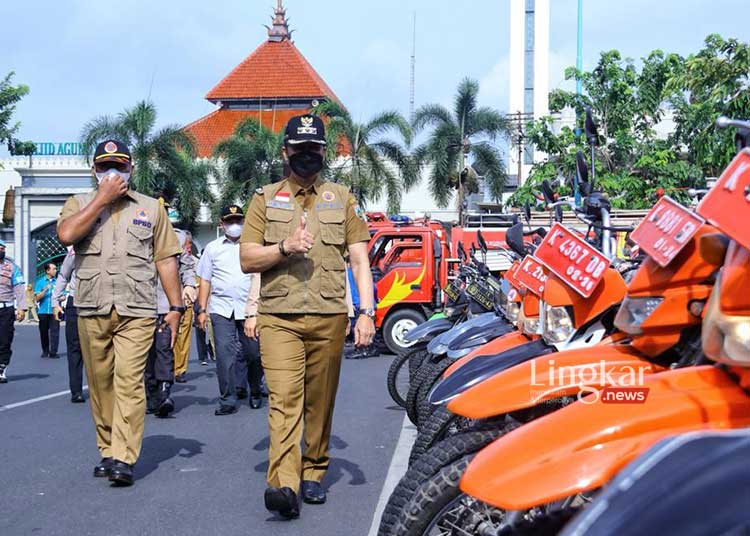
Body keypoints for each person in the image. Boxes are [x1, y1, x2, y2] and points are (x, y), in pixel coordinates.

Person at [240, 114, 375, 519]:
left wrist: (367, 312)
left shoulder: (342, 198)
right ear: (286, 152)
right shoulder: (264, 199)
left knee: (320, 401)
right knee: (283, 400)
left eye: (313, 149)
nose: (306, 156)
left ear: (323, 152)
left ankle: (314, 468)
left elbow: (359, 259)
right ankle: (284, 483)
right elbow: (247, 258)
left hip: (330, 314)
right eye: (299, 150)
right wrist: (285, 245)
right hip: (279, 316)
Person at [57, 139, 183, 487]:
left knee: (129, 382)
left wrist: (174, 307)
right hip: (92, 306)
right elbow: (67, 234)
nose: (113, 172)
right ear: (93, 170)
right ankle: (109, 448)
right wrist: (103, 198)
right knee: (100, 384)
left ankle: (124, 457)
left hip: (137, 308)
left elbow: (166, 258)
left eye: (120, 166)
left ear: (132, 168)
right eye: (104, 166)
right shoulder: (79, 204)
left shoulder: (150, 208)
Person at [196, 205, 264, 415]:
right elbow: (205, 280)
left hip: (249, 309)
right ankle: (227, 399)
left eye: (238, 221)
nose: (235, 225)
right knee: (225, 357)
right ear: (222, 224)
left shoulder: (253, 247)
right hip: (221, 309)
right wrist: (202, 309)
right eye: (230, 221)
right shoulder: (212, 248)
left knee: (253, 353)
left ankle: (255, 390)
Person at [145, 228, 196, 417]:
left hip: (167, 305)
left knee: (164, 349)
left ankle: (165, 393)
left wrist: (189, 285)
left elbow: (186, 265)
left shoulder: (176, 237)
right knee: (147, 355)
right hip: (140, 306)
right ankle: (152, 396)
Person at [52, 248, 86, 403]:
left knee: (99, 349)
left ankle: (104, 390)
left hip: (100, 303)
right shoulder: (76, 249)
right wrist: (55, 302)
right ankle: (76, 391)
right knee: (75, 349)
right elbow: (64, 275)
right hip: (76, 301)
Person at [0, 239, 27, 383]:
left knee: (4, 339)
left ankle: (2, 368)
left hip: (6, 309)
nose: (1, 250)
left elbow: (19, 288)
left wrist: (22, 308)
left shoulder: (12, 268)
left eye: (2, 248)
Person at [173, 231, 196, 382]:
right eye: (185, 245)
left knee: (183, 336)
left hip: (184, 300)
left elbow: (190, 275)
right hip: (162, 300)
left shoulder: (192, 261)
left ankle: (180, 369)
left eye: (188, 245)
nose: (187, 248)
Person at [34, 262, 60, 358]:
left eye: (55, 269)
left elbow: (62, 295)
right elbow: (37, 298)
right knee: (43, 332)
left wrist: (61, 298)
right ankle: (45, 351)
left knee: (55, 332)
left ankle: (53, 352)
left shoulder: (57, 282)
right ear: (47, 270)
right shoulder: (40, 282)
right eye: (53, 269)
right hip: (43, 311)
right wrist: (45, 290)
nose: (55, 270)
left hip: (54, 311)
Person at [193, 277, 214, 366]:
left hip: (212, 300)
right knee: (200, 329)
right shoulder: (197, 266)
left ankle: (210, 347)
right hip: (199, 299)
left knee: (213, 328)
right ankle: (203, 356)